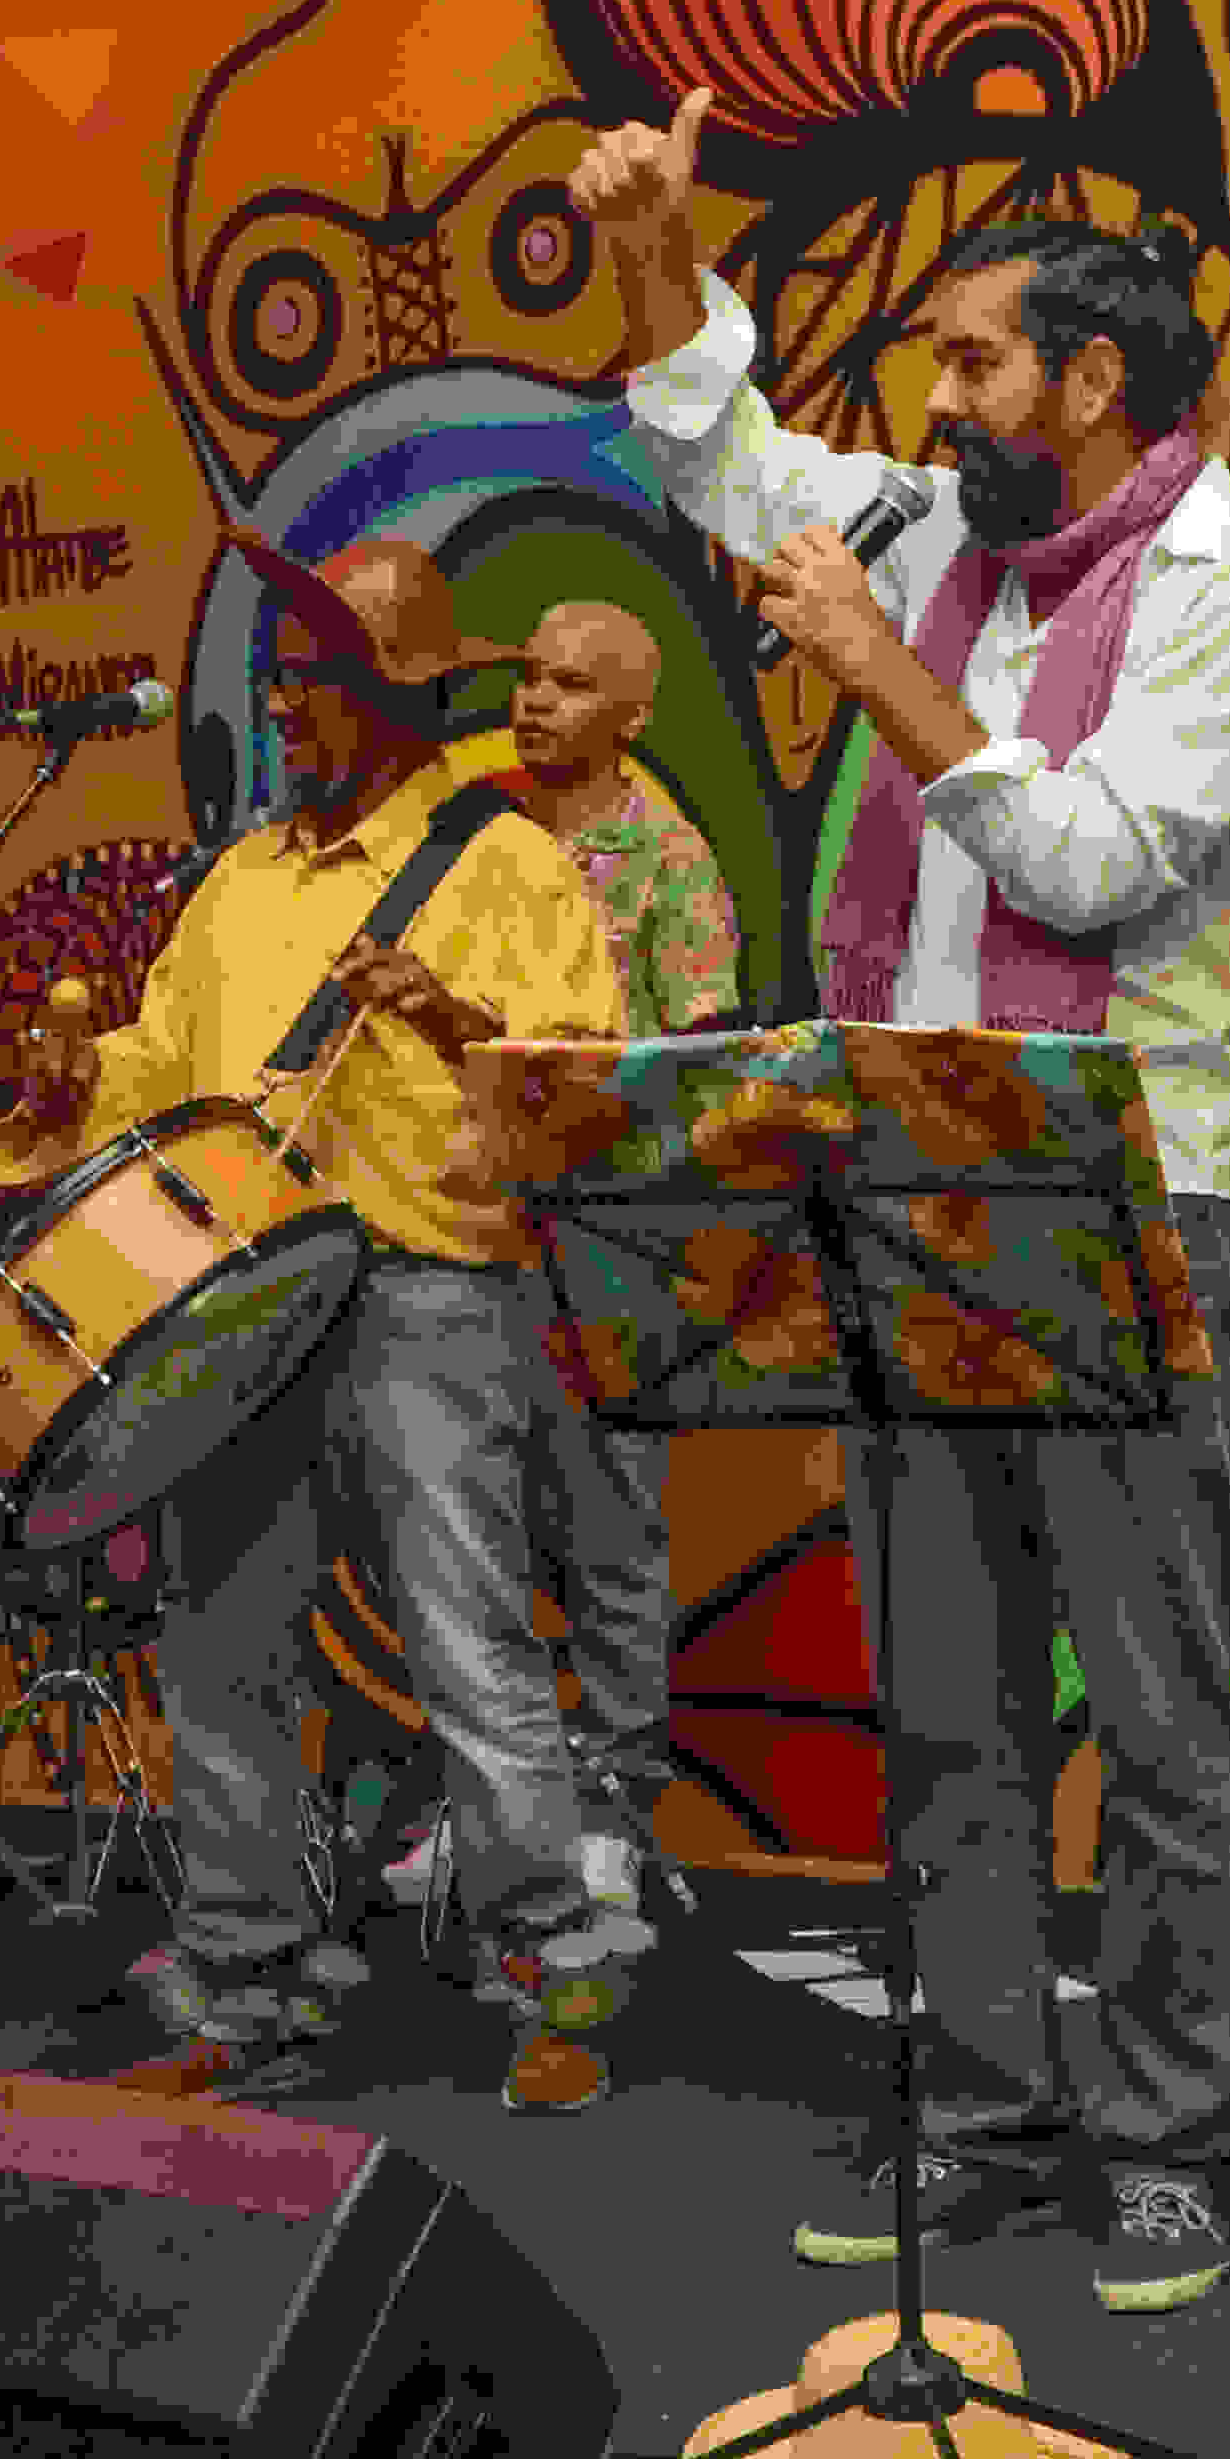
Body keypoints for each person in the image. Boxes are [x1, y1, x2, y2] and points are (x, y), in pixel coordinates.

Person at [581, 90, 1230, 2313]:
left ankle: (1169, 2134)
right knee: (950, 1709)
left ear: (1093, 381)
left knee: (1161, 1715)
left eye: (971, 361)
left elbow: (1090, 862)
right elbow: (724, 454)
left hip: (1137, 1196)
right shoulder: (937, 537)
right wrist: (655, 250)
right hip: (918, 1183)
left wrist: (876, 671)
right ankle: (991, 2111)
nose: (927, 403)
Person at [0, 529, 640, 2110]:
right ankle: (249, 1977)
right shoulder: (244, 879)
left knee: (466, 1637)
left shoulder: (504, 863)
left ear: (392, 695)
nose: (281, 703)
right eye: (275, 677)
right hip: (253, 1287)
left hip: (427, 1285)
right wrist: (72, 1082)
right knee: (223, 1638)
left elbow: (586, 1089)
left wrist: (453, 1015)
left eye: (311, 677)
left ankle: (555, 1973)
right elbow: (161, 1067)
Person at [403, 597, 741, 1931]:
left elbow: (699, 1068)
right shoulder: (469, 828)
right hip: (459, 1230)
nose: (536, 701)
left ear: (634, 715)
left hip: (606, 1239)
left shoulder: (668, 861)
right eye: (530, 677)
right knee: (470, 1536)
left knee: (609, 1538)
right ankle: (496, 1813)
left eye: (573, 684)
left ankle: (608, 1815)